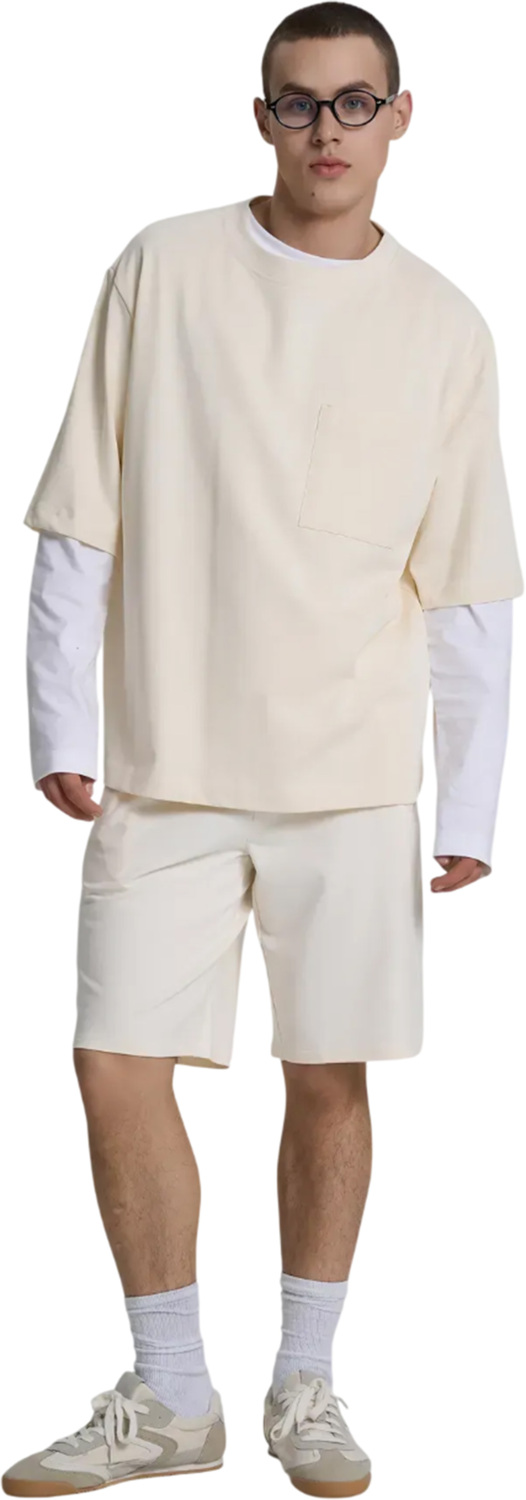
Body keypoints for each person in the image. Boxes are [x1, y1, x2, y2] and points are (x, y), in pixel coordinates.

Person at [4, 4, 523, 1497]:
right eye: (299, 103)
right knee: (113, 1060)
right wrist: (59, 719)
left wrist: (470, 797)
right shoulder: (162, 268)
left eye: (355, 103)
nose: (326, 131)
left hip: (349, 773)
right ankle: (173, 1392)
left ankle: (307, 1383)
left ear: (401, 116)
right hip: (166, 758)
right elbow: (79, 514)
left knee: (328, 1075)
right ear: (261, 117)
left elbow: (466, 580)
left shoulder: (444, 325)